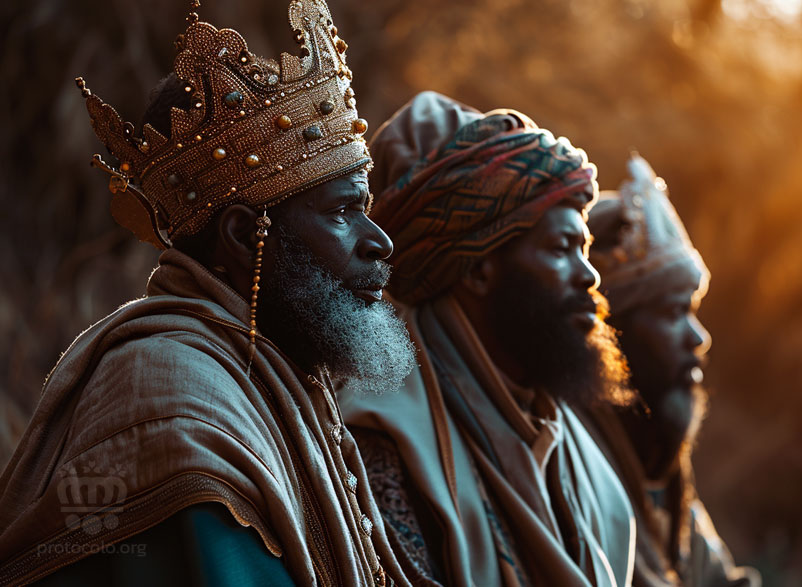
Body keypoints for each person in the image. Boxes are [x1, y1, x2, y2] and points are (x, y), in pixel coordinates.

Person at [0, 1, 416, 585]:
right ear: (245, 237)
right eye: (344, 212)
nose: (379, 242)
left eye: (364, 209)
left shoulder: (275, 374)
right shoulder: (167, 395)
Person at [339, 92, 637, 587]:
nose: (589, 276)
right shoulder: (380, 446)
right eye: (563, 247)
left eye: (585, 249)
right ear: (478, 269)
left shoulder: (559, 433)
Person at [583, 154, 761, 587]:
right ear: (610, 331)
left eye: (694, 311)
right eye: (673, 311)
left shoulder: (668, 479)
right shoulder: (572, 461)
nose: (700, 337)